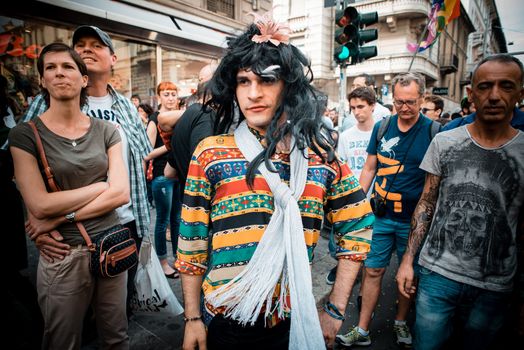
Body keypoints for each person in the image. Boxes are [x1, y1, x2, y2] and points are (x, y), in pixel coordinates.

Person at [175, 13, 374, 350]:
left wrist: (336, 308)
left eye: (266, 80)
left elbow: (357, 224)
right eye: (243, 81)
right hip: (224, 321)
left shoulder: (319, 158)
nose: (253, 93)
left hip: (292, 320)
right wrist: (192, 319)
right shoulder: (211, 154)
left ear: (288, 87)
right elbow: (191, 244)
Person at [20, 25, 152, 318]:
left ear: (113, 59)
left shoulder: (126, 107)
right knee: (69, 321)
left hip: (125, 223)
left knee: (116, 316)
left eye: (96, 45)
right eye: (80, 45)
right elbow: (20, 168)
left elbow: (142, 157)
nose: (87, 49)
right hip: (68, 234)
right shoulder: (48, 100)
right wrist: (38, 219)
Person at [396, 53, 524, 350]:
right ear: (472, 93)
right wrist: (407, 261)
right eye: (485, 86)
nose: (494, 96)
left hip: (496, 283)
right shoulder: (445, 141)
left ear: (520, 92)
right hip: (437, 274)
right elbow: (427, 203)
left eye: (505, 86)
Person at [9, 42, 130, 349]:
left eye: (68, 67)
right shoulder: (25, 134)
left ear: (83, 78)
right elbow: (38, 203)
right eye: (51, 67)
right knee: (62, 341)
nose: (59, 73)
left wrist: (62, 215)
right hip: (62, 255)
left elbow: (121, 193)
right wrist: (99, 187)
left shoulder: (107, 130)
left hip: (109, 246)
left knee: (116, 338)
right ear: (42, 80)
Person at [337, 72, 439, 348]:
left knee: (407, 274)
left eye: (411, 102)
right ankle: (362, 328)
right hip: (380, 217)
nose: (404, 108)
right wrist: (357, 206)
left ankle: (401, 322)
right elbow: (370, 168)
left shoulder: (434, 132)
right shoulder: (382, 128)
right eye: (398, 102)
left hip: (413, 222)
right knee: (372, 271)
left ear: (422, 99)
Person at [326, 86, 376, 286]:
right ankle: (344, 266)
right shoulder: (346, 136)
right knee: (336, 242)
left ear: (372, 106)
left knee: (366, 243)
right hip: (348, 198)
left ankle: (358, 277)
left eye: (361, 106)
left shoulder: (380, 131)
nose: (357, 112)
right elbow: (341, 166)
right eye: (353, 107)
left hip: (373, 198)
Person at [144, 81, 180, 278]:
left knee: (176, 220)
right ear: (159, 97)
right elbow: (147, 152)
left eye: (173, 94)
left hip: (178, 175)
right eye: (166, 94)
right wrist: (170, 146)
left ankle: (177, 259)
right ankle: (163, 263)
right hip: (160, 176)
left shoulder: (180, 116)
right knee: (162, 221)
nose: (171, 98)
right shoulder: (155, 118)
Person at [168, 64, 217, 193]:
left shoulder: (187, 115)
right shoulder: (205, 115)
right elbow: (204, 168)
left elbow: (168, 172)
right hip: (202, 204)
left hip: (188, 200)